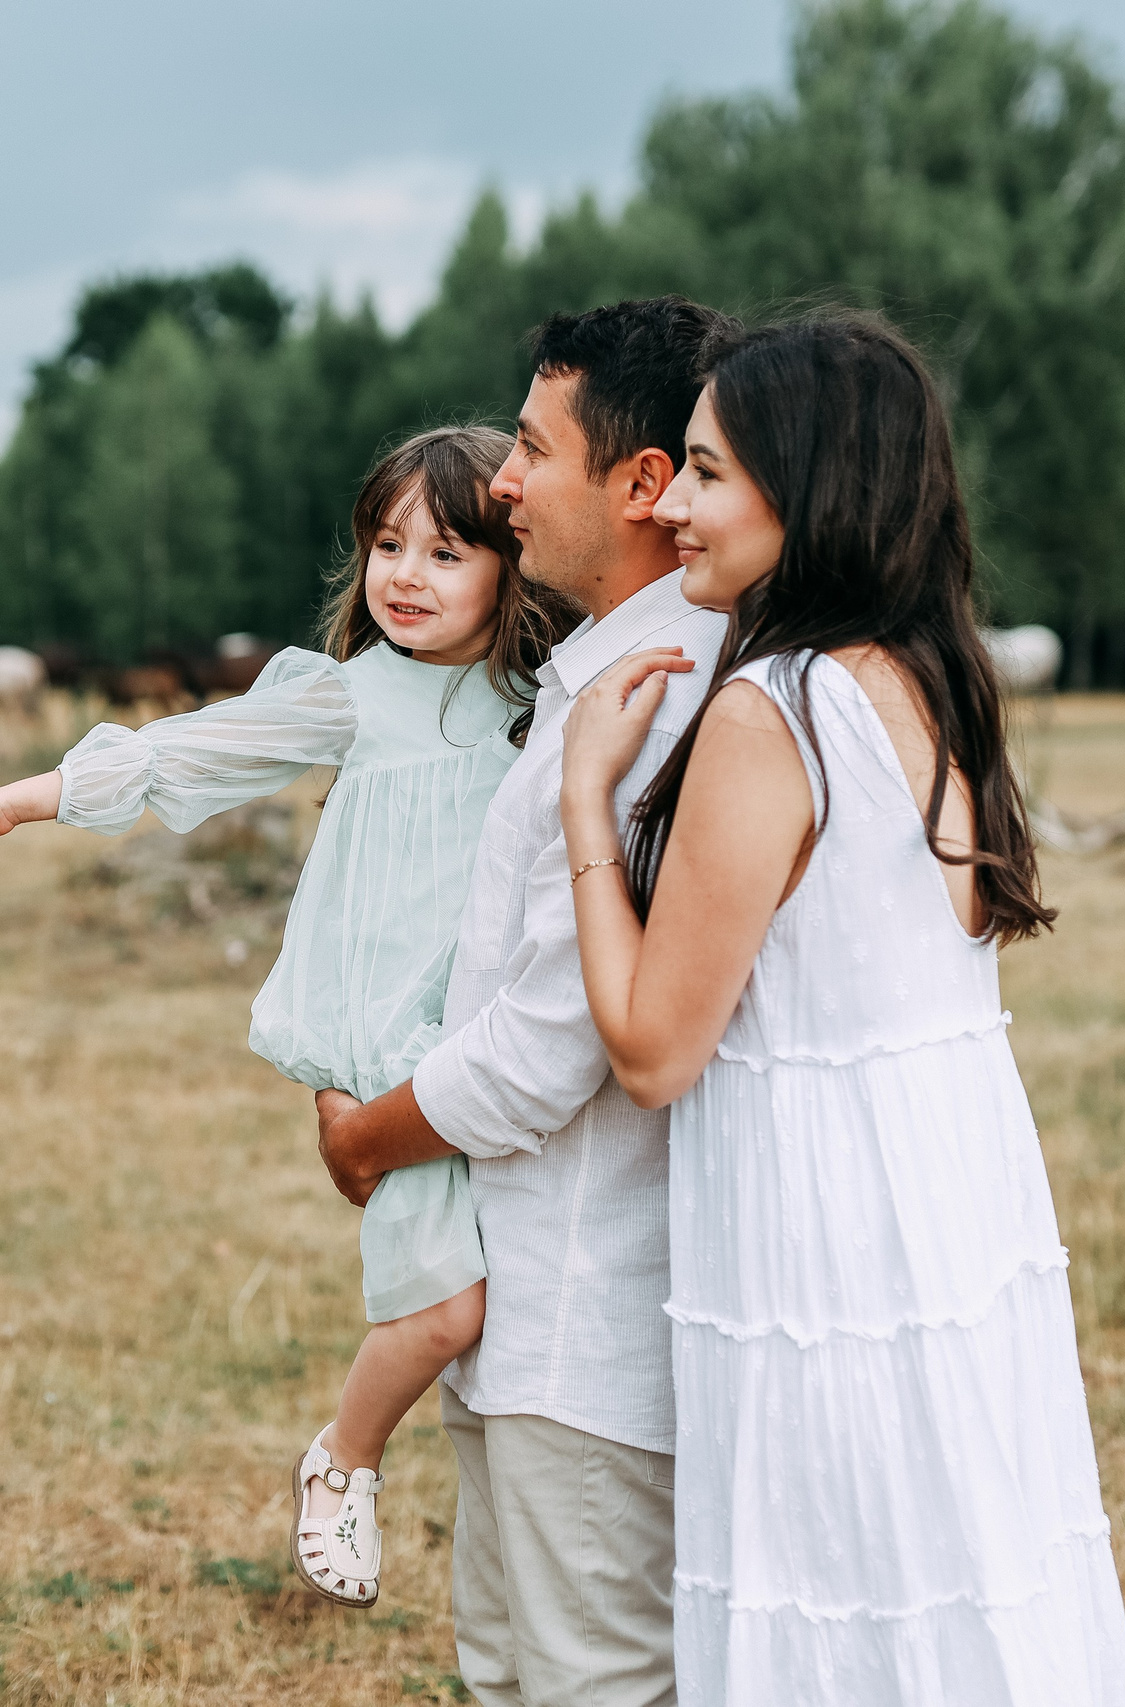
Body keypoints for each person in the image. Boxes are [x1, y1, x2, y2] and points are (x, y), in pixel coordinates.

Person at [0, 426, 577, 1610]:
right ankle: (343, 1460)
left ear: (514, 565)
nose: (404, 575)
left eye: (446, 551)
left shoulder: (546, 701)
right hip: (388, 1052)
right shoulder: (353, 699)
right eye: (386, 545)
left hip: (496, 1039)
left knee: (510, 1300)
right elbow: (184, 752)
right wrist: (16, 799)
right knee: (447, 1309)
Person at [555, 313, 1125, 1704]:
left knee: (835, 1594)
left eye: (706, 473)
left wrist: (588, 801)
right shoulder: (922, 675)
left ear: (806, 489)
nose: (674, 507)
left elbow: (651, 1046)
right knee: (954, 1569)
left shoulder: (774, 715)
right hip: (943, 1203)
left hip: (827, 1237)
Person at [316, 296, 737, 1707]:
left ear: (636, 483)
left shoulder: (661, 690)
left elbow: (553, 1041)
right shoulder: (585, 677)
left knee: (588, 1680)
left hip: (587, 1314)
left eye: (532, 451)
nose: (499, 479)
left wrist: (366, 1138)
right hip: (522, 1301)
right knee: (510, 1669)